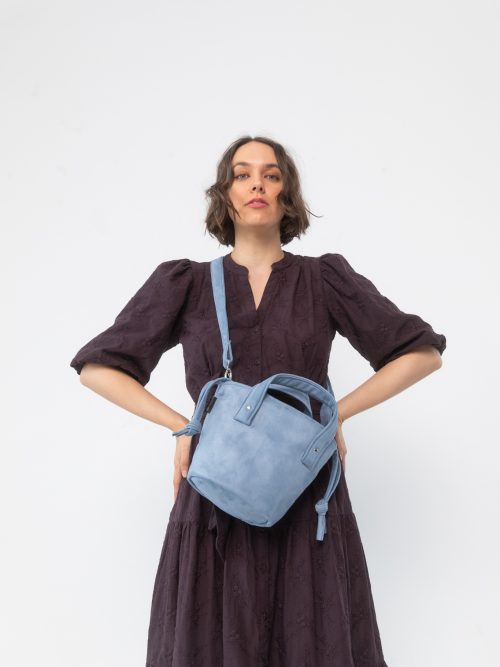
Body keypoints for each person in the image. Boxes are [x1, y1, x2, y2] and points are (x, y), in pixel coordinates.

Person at [70, 135, 446, 666]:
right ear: (224, 194)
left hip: (305, 489)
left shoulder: (324, 279)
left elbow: (421, 354)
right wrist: (185, 427)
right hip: (216, 490)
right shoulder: (186, 283)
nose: (257, 185)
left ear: (287, 195)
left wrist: (334, 415)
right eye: (242, 174)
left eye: (271, 175)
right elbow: (98, 368)